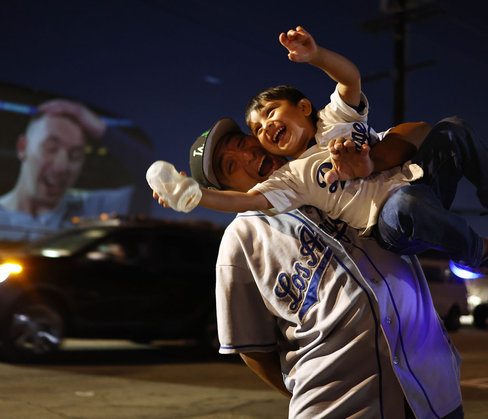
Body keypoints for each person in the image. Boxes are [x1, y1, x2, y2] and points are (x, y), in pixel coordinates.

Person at [153, 26, 488, 281]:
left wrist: (316, 56)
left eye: (265, 121)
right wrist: (193, 196)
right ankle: (478, 253)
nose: (263, 131)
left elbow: (352, 79)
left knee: (454, 129)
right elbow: (245, 199)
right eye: (257, 129)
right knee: (406, 205)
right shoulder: (289, 180)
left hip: (420, 183)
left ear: (304, 108)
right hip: (392, 219)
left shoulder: (335, 121)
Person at [184, 118, 465, 418]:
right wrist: (311, 392)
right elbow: (251, 348)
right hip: (340, 406)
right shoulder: (240, 240)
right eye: (230, 166)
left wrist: (372, 162)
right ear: (226, 190)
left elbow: (421, 131)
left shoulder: (331, 165)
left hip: (433, 388)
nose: (247, 156)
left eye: (241, 143)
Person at [0, 99, 153, 241]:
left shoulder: (95, 208)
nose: (62, 166)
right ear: (23, 148)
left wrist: (102, 130)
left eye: (75, 155)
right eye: (51, 148)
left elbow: (155, 176)